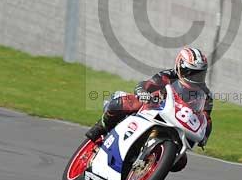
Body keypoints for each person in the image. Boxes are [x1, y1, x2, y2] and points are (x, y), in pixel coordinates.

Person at [85, 47, 214, 169]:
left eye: (199, 74)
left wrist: (205, 136)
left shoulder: (206, 95)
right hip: (152, 108)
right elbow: (147, 85)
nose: (195, 77)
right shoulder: (168, 75)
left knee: (181, 162)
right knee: (122, 103)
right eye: (191, 73)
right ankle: (102, 127)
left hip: (176, 124)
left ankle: (149, 167)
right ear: (180, 67)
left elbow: (206, 119)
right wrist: (143, 93)